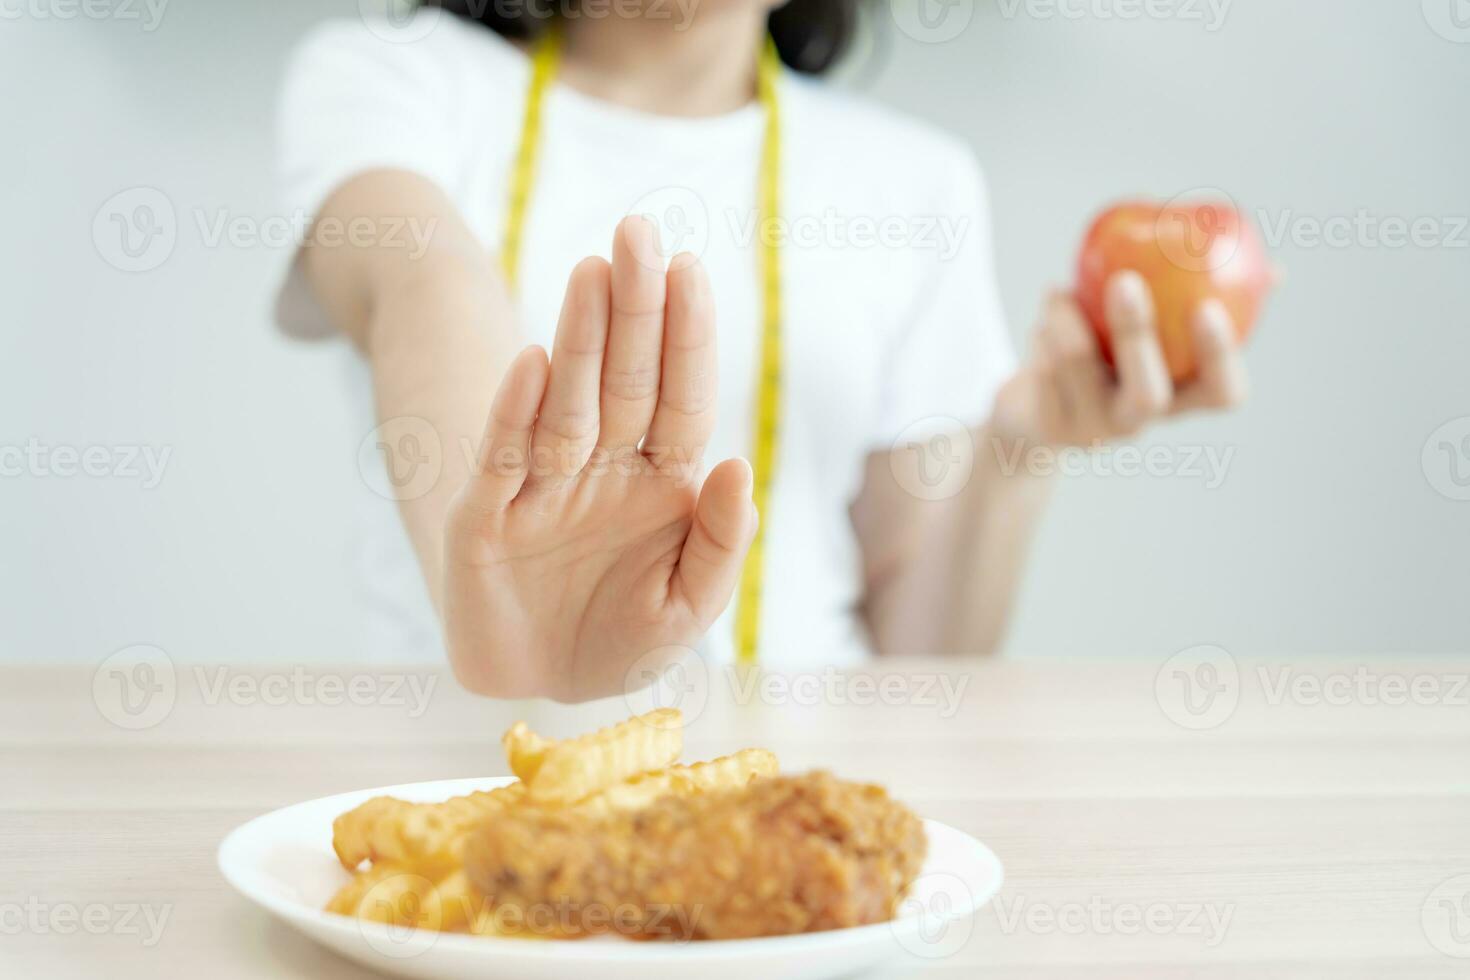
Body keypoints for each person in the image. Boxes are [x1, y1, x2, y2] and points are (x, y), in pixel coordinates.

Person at [275, 0, 1248, 702]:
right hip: (460, 812)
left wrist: (1023, 445)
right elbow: (422, 286)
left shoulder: (917, 182)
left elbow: (919, 666)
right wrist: (498, 589)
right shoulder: (396, 77)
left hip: (789, 840)